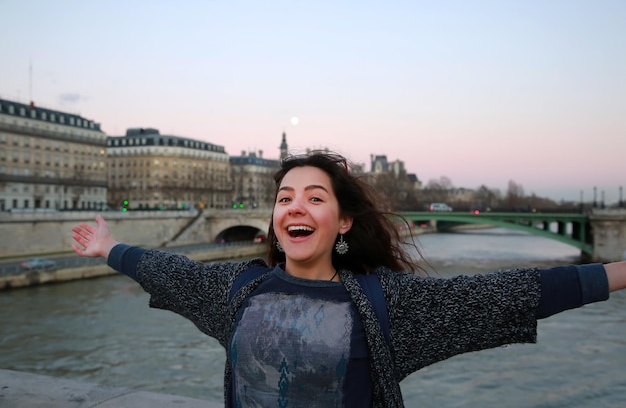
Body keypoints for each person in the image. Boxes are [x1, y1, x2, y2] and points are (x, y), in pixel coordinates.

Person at [71, 151, 626, 408]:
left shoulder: (386, 305)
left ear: (343, 221)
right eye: (284, 198)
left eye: (315, 197)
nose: (295, 206)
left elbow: (516, 293)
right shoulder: (238, 291)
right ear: (274, 219)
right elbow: (169, 272)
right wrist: (108, 247)